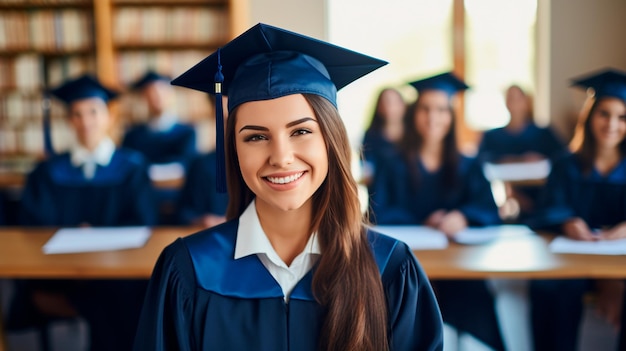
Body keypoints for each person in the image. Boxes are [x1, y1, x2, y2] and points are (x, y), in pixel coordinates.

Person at [133, 23, 444, 351]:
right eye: (255, 137)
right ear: (232, 150)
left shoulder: (390, 268)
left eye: (301, 131)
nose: (281, 157)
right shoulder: (189, 269)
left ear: (331, 140)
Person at [13, 74, 156, 351]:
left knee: (116, 293)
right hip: (62, 271)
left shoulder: (132, 168)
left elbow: (144, 220)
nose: (85, 121)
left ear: (108, 117)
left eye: (93, 112)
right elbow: (32, 223)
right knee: (108, 301)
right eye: (76, 114)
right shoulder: (47, 172)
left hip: (118, 269)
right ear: (69, 121)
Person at [368, 72, 505, 351]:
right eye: (425, 109)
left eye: (442, 110)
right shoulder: (392, 163)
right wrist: (423, 222)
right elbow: (376, 211)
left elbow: (490, 211)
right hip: (407, 266)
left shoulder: (469, 164)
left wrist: (464, 216)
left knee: (473, 299)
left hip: (459, 267)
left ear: (452, 116)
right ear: (413, 114)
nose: (433, 118)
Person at [529, 68, 626, 351]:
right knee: (550, 286)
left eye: (622, 117)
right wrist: (566, 221)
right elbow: (546, 208)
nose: (612, 124)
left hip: (620, 266)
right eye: (604, 114)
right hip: (571, 262)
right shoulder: (564, 165)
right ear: (590, 116)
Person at [478, 84, 566, 221]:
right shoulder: (492, 136)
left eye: (518, 98)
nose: (513, 103)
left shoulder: (543, 133)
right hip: (503, 195)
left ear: (526, 102)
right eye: (509, 98)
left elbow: (562, 156)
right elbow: (481, 159)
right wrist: (513, 160)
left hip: (539, 195)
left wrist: (540, 158)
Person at [121, 70, 198, 224]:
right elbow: (127, 168)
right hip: (142, 196)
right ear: (143, 97)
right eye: (150, 93)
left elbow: (187, 166)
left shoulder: (187, 132)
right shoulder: (132, 135)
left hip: (177, 193)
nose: (156, 98)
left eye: (161, 92)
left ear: (170, 95)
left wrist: (146, 170)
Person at [360, 87, 406, 187]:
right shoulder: (371, 136)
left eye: (394, 102)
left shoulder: (412, 133)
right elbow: (367, 169)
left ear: (403, 105)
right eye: (385, 102)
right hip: (380, 192)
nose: (390, 107)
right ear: (379, 107)